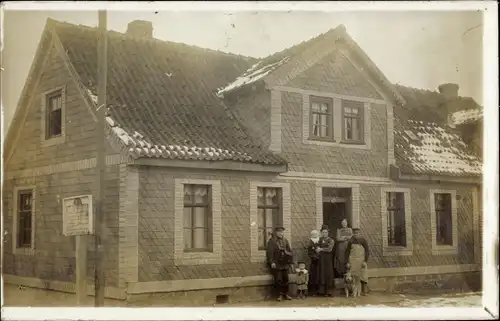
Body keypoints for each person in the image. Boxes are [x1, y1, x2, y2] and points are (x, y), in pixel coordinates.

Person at [266, 226, 293, 301]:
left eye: (282, 232)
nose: (280, 233)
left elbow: (290, 251)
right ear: (276, 232)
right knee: (278, 279)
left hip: (285, 263)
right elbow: (269, 253)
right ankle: (280, 295)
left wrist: (289, 259)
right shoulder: (272, 241)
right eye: (279, 232)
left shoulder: (285, 241)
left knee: (286, 279)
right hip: (277, 263)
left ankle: (286, 294)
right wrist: (272, 262)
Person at [345, 227, 370, 296]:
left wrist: (365, 261)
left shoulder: (363, 240)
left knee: (363, 275)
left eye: (358, 233)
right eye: (355, 233)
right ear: (353, 233)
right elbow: (347, 252)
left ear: (360, 233)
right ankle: (352, 291)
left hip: (361, 260)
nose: (356, 234)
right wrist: (347, 262)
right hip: (352, 260)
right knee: (352, 276)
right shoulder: (350, 241)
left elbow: (367, 251)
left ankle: (364, 291)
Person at [316, 224, 335, 297]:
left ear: (328, 233)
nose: (324, 234)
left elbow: (330, 249)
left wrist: (321, 249)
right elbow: (317, 247)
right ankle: (321, 291)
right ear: (321, 233)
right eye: (323, 232)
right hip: (321, 259)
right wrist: (317, 249)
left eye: (326, 232)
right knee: (322, 273)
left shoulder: (331, 240)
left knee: (328, 273)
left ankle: (328, 291)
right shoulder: (320, 239)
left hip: (328, 259)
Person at [307, 229, 321, 296]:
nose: (315, 235)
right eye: (313, 234)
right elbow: (310, 252)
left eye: (316, 234)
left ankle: (320, 290)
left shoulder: (320, 240)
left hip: (320, 261)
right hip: (314, 261)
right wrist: (315, 257)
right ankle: (313, 291)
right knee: (313, 275)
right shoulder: (310, 242)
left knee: (320, 275)